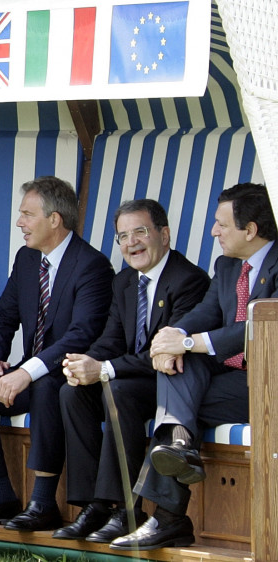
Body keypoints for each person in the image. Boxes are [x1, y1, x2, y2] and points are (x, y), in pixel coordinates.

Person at [113, 183, 278, 550]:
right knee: (178, 369)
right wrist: (174, 334)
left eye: (221, 224)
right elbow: (208, 311)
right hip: (232, 376)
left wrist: (188, 342)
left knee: (176, 411)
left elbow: (258, 326)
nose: (213, 231)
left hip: (268, 382)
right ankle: (180, 447)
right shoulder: (227, 264)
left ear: (249, 230)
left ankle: (168, 515)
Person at [0, 176, 114, 531]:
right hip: (28, 371)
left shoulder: (92, 265)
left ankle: (42, 501)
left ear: (54, 219)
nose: (19, 223)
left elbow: (81, 335)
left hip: (71, 376)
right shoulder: (26, 258)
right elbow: (3, 315)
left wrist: (27, 372)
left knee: (45, 386)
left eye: (27, 214)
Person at [56, 199, 209, 543]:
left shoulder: (189, 280)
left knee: (117, 391)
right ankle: (94, 506)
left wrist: (104, 368)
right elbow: (111, 339)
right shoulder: (124, 281)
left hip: (170, 382)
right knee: (72, 392)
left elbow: (162, 352)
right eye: (122, 237)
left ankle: (126, 509)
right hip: (130, 378)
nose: (131, 244)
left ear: (164, 234)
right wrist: (83, 365)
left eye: (140, 232)